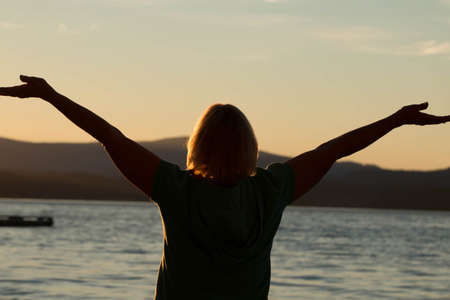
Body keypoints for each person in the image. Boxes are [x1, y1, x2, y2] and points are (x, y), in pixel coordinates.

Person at [0, 75, 449, 299]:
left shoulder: (175, 188)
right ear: (252, 149)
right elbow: (334, 149)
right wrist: (394, 121)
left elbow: (110, 137)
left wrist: (51, 96)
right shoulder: (272, 190)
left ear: (198, 145)